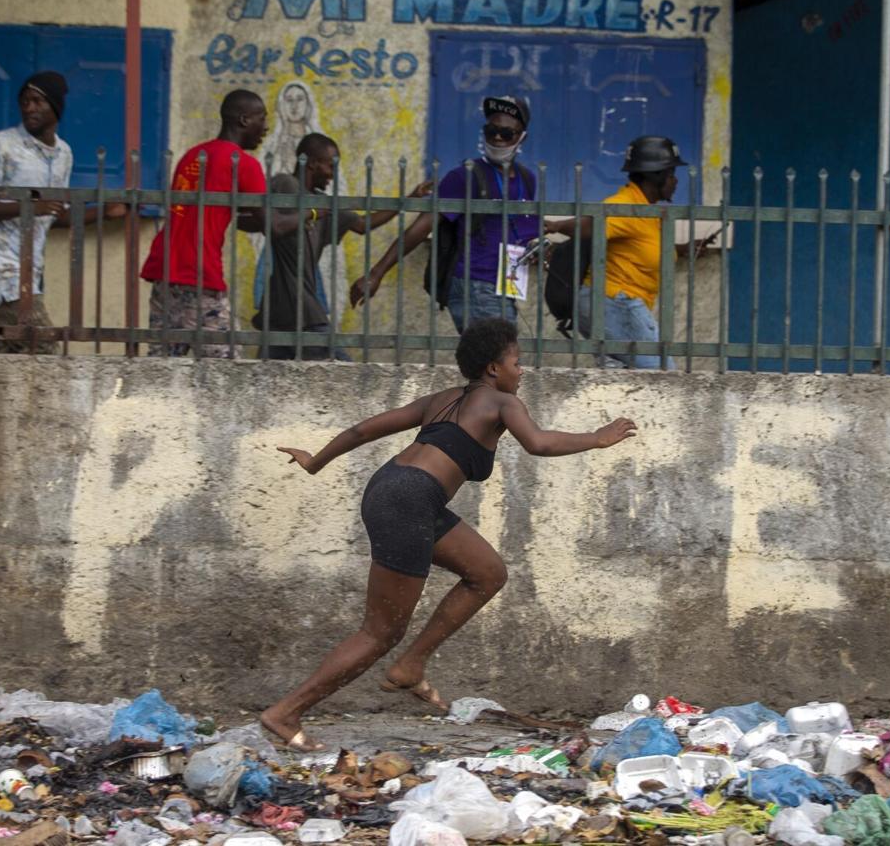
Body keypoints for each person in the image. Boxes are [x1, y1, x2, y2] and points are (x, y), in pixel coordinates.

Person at [259, 317, 637, 750]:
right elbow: (538, 443)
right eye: (517, 362)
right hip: (411, 500)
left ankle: (411, 666)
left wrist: (316, 461)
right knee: (380, 632)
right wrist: (597, 438)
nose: (522, 370)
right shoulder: (503, 402)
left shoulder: (441, 400)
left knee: (487, 572)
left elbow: (365, 429)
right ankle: (286, 712)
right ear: (493, 368)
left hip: (391, 488)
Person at [349, 96, 540, 332]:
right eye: (492, 131)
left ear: (522, 137)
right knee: (500, 352)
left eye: (507, 133)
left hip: (507, 285)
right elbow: (419, 229)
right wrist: (376, 273)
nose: (498, 138)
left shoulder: (528, 179)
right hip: (474, 282)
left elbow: (523, 231)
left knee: (490, 354)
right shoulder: (465, 176)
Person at [139, 89, 302, 357]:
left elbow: (231, 216)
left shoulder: (193, 156)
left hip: (164, 270)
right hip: (198, 272)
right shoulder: (243, 164)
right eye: (262, 118)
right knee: (229, 371)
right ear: (244, 119)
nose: (266, 127)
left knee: (163, 368)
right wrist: (312, 213)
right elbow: (273, 226)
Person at [0, 71, 124, 353]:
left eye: (37, 101)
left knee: (14, 361)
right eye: (24, 102)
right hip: (1, 269)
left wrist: (104, 212)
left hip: (31, 270)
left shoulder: (64, 153)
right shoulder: (0, 145)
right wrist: (30, 206)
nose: (29, 108)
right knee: (43, 350)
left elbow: (56, 214)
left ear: (55, 106)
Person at [255, 133, 433, 360]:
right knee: (343, 370)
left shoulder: (324, 206)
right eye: (330, 166)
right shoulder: (286, 184)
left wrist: (409, 198)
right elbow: (269, 221)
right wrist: (310, 213)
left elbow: (363, 224)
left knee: (270, 377)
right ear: (312, 163)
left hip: (282, 313)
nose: (333, 174)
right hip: (302, 312)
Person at [545, 135, 691, 369]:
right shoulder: (627, 205)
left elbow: (644, 248)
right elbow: (593, 224)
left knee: (626, 379)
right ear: (656, 175)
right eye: (672, 173)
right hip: (615, 302)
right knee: (663, 375)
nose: (675, 181)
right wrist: (557, 226)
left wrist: (686, 248)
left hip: (620, 304)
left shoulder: (647, 210)